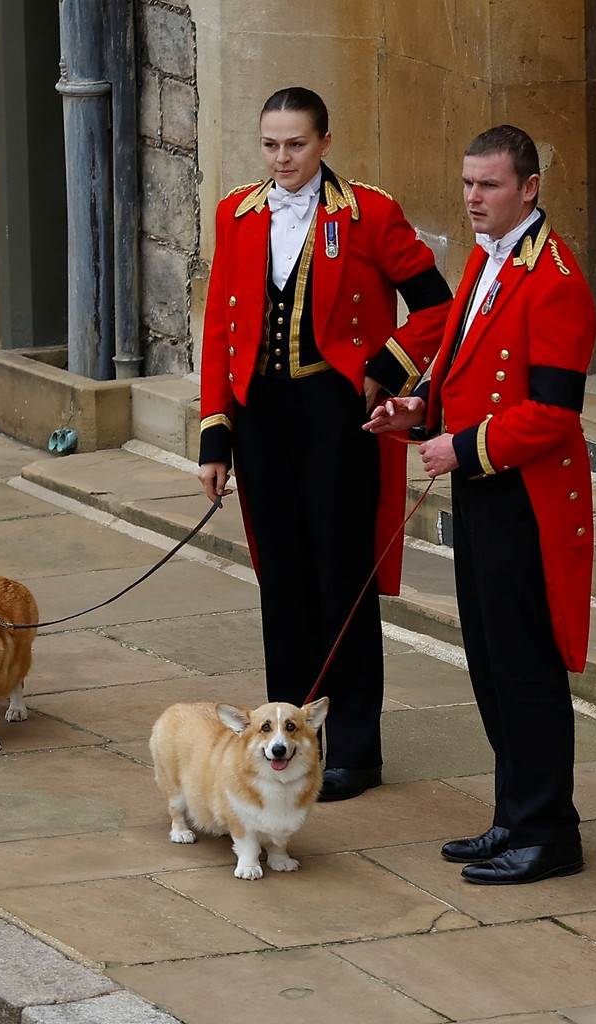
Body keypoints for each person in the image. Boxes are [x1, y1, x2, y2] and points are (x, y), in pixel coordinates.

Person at [197, 86, 452, 801]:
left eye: (297, 144)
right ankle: (289, 743)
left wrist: (386, 370)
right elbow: (220, 328)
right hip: (263, 420)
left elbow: (438, 304)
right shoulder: (235, 214)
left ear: (325, 143)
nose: (283, 159)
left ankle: (357, 752)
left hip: (339, 417)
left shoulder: (369, 213)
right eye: (272, 145)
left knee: (342, 583)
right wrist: (215, 436)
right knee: (281, 582)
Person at [369, 125, 596, 883]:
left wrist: (461, 448)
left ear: (529, 188)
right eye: (467, 184)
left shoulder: (556, 277)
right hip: (484, 492)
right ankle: (513, 816)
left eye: (489, 185)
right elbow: (462, 371)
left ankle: (548, 834)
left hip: (527, 501)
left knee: (526, 666)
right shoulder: (484, 258)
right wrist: (417, 413)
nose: (473, 199)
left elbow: (554, 413)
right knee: (491, 663)